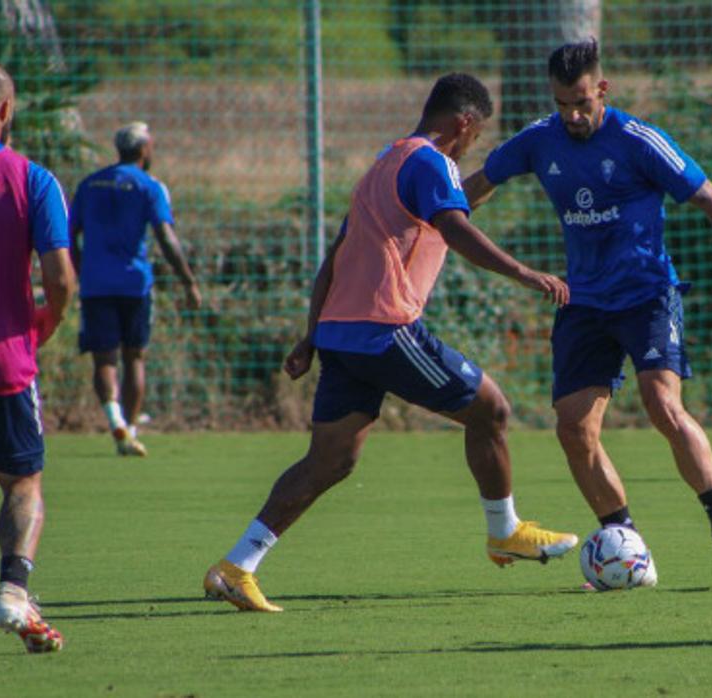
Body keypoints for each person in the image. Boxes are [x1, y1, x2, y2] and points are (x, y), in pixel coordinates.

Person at [203, 73, 578, 613]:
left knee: (330, 461)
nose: (473, 144)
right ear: (464, 123)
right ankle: (504, 530)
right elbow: (455, 226)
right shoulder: (430, 163)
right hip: (384, 330)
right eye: (476, 135)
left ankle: (236, 566)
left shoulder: (385, 163)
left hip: (342, 334)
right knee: (491, 409)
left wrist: (312, 335)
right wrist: (524, 273)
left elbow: (336, 254)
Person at [464, 39, 712, 578]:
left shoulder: (638, 140)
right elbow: (478, 186)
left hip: (647, 295)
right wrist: (431, 218)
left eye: (582, 102)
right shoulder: (540, 140)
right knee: (572, 429)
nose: (572, 114)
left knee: (662, 403)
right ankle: (626, 541)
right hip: (584, 303)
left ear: (603, 90)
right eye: (562, 103)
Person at [0, 64, 72, 653]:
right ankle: (14, 591)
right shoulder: (31, 180)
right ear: (5, 113)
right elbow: (60, 279)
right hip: (5, 364)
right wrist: (40, 326)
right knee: (23, 482)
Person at [70, 121, 202, 457]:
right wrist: (188, 280)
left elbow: (69, 237)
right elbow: (166, 237)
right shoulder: (149, 186)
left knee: (104, 359)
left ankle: (113, 417)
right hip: (134, 283)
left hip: (96, 283)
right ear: (145, 149)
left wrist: (79, 271)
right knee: (135, 357)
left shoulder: (89, 185)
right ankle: (129, 429)